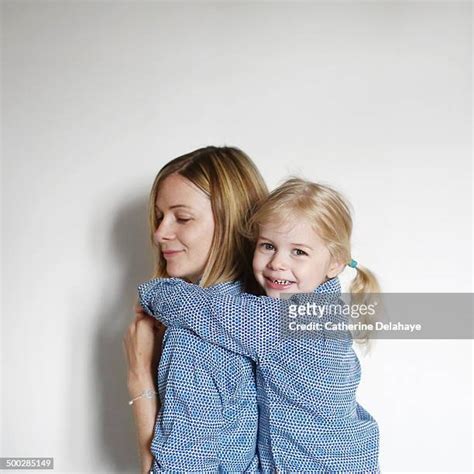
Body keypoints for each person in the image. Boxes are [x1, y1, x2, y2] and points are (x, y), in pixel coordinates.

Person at [137, 177, 381, 472]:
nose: (277, 262)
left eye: (299, 252)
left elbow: (208, 310)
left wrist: (153, 291)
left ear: (334, 264)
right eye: (268, 246)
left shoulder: (292, 320)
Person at [123, 146, 268, 473]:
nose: (160, 233)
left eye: (182, 217)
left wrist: (139, 381)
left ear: (234, 222)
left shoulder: (193, 335)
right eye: (159, 216)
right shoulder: (268, 309)